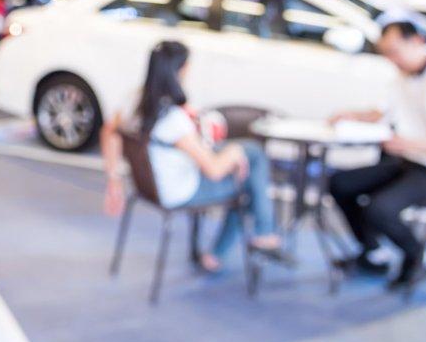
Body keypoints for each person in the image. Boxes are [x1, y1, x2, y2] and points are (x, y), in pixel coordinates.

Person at [101, 40, 288, 273]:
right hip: (180, 190)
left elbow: (109, 132)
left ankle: (246, 240)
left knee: (248, 156)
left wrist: (114, 179)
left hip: (152, 184)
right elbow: (214, 169)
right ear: (181, 70)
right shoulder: (173, 118)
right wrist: (234, 154)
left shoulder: (135, 101)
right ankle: (255, 236)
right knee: (250, 175)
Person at [327, 20, 426, 291]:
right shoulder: (401, 77)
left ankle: (419, 255)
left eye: (395, 51)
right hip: (409, 160)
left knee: (379, 208)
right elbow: (380, 113)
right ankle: (373, 252)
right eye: (386, 53)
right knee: (340, 183)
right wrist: (350, 115)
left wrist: (408, 143)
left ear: (417, 42)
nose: (391, 59)